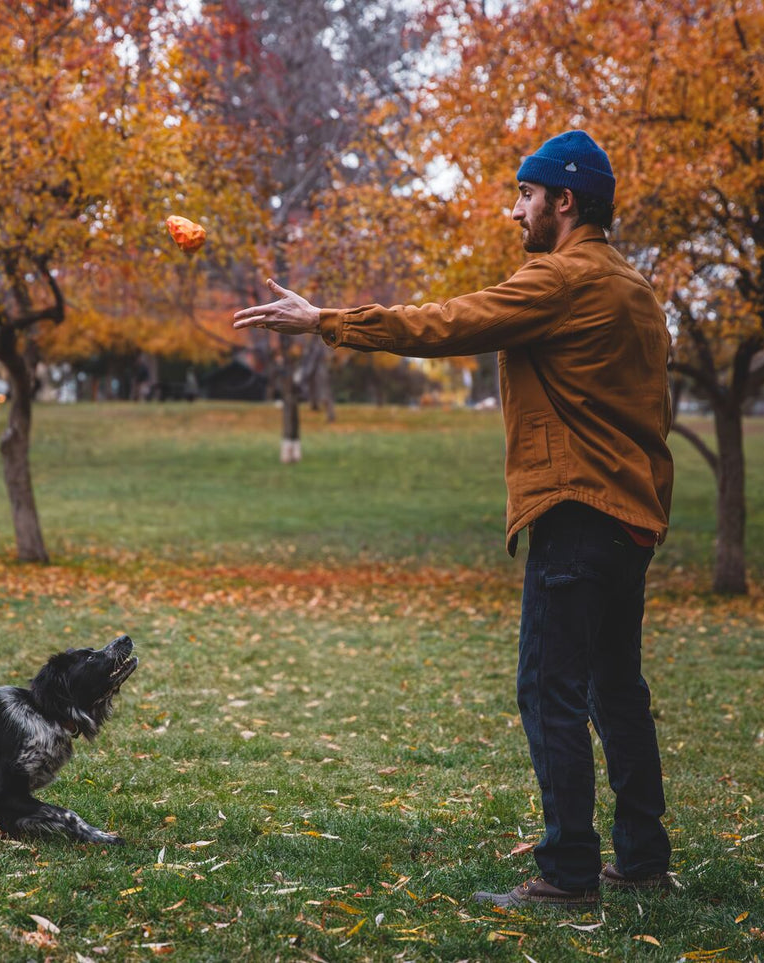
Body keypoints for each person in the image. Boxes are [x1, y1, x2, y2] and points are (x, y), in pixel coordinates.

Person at [232, 130, 675, 909]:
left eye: (525, 195)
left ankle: (569, 872)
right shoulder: (635, 289)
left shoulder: (561, 278)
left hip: (575, 511)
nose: (515, 211)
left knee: (549, 691)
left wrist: (325, 320)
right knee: (615, 688)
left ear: (562, 201)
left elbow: (446, 323)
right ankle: (641, 854)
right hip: (630, 517)